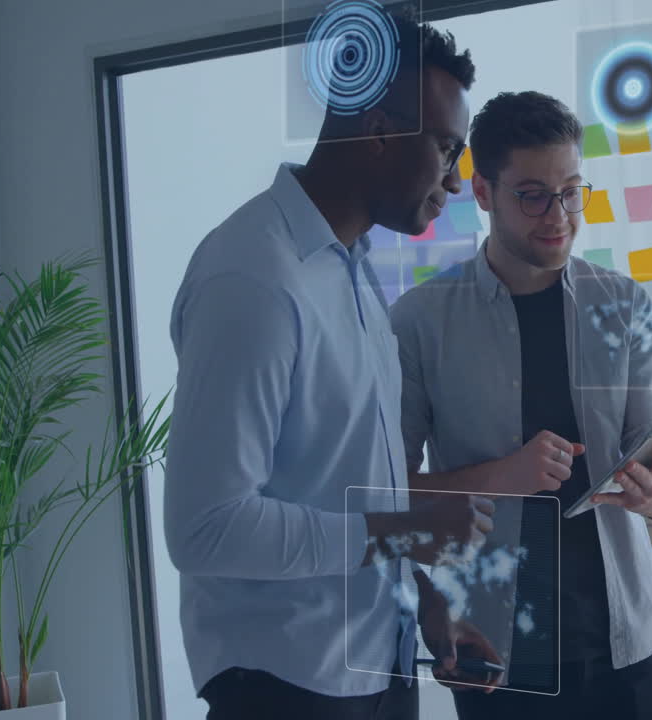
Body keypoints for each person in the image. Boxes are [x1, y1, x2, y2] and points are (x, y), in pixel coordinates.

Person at [164, 19, 499, 720]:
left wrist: (430, 612)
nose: (457, 180)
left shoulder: (348, 271)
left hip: (378, 667)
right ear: (378, 131)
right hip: (285, 691)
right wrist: (403, 528)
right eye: (447, 148)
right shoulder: (252, 278)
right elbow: (205, 529)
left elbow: (349, 488)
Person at [389, 90, 652, 720]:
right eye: (532, 195)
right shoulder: (419, 322)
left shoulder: (624, 304)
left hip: (627, 642)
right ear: (482, 193)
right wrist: (501, 479)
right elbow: (385, 492)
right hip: (497, 653)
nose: (558, 214)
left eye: (571, 191)